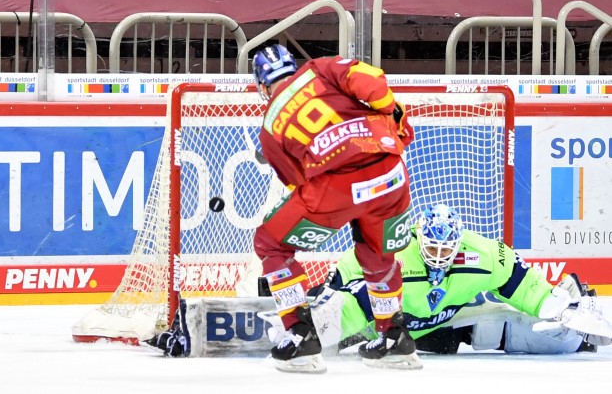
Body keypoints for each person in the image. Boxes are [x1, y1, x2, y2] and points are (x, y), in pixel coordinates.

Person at [250, 44, 418, 373]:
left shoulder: (270, 127)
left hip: (337, 185)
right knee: (376, 252)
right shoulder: (320, 67)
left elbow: (298, 183)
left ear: (261, 85)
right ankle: (395, 338)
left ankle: (301, 336)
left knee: (270, 243)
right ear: (292, 65)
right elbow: (374, 86)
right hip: (391, 172)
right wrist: (383, 114)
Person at [263, 203, 612, 357]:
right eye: (432, 247)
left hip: (446, 320)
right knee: (343, 324)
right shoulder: (390, 253)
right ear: (419, 237)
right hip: (389, 327)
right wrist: (313, 318)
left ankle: (575, 336)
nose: (439, 257)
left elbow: (523, 283)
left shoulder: (485, 253)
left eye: (447, 249)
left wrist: (558, 307)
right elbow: (347, 293)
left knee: (490, 330)